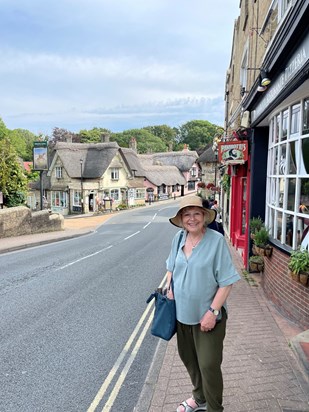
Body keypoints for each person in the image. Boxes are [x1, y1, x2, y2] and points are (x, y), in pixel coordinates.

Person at [165, 195, 241, 412]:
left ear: (204, 216)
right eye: (186, 214)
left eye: (196, 213)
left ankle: (215, 408)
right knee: (189, 360)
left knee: (208, 364)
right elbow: (171, 268)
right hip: (181, 315)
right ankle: (199, 399)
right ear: (181, 219)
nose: (192, 219)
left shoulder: (216, 241)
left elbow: (227, 283)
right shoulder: (178, 239)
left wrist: (212, 311)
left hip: (209, 317)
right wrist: (170, 289)